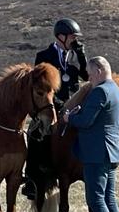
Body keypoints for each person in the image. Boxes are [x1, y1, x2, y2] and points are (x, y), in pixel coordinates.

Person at [64, 56, 119, 212]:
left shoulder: (99, 92)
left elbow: (85, 121)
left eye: (90, 75)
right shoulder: (118, 92)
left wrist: (69, 117)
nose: (89, 79)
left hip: (96, 153)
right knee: (110, 198)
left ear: (99, 71)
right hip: (113, 152)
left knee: (96, 199)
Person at [22, 17, 89, 200]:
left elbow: (87, 77)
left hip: (75, 105)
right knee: (35, 133)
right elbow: (42, 86)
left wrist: (82, 57)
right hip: (52, 104)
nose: (75, 40)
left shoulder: (76, 55)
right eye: (72, 37)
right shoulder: (44, 56)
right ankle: (32, 178)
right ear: (61, 37)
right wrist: (58, 105)